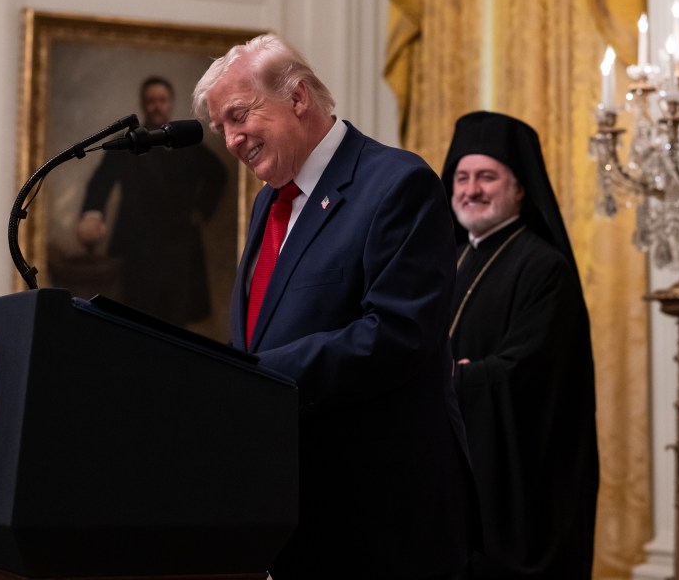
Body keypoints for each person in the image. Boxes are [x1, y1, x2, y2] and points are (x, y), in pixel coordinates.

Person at [192, 34, 471, 579]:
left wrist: (250, 378)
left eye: (238, 116)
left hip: (379, 515)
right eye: (221, 127)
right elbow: (259, 334)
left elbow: (397, 333)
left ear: (297, 97)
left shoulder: (397, 183)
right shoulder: (269, 203)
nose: (230, 140)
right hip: (291, 510)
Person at [441, 111, 600, 579]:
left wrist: (454, 379)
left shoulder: (543, 267)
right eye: (462, 177)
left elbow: (529, 374)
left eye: (487, 177)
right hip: (454, 474)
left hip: (517, 489)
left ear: (520, 188)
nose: (471, 190)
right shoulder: (450, 261)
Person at [76, 75, 228, 324]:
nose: (157, 106)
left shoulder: (186, 144)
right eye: (151, 101)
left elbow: (217, 175)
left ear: (170, 103)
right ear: (144, 104)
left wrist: (201, 210)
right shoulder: (128, 143)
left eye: (162, 100)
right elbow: (101, 182)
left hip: (179, 248)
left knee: (175, 321)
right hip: (136, 249)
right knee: (135, 320)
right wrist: (92, 214)